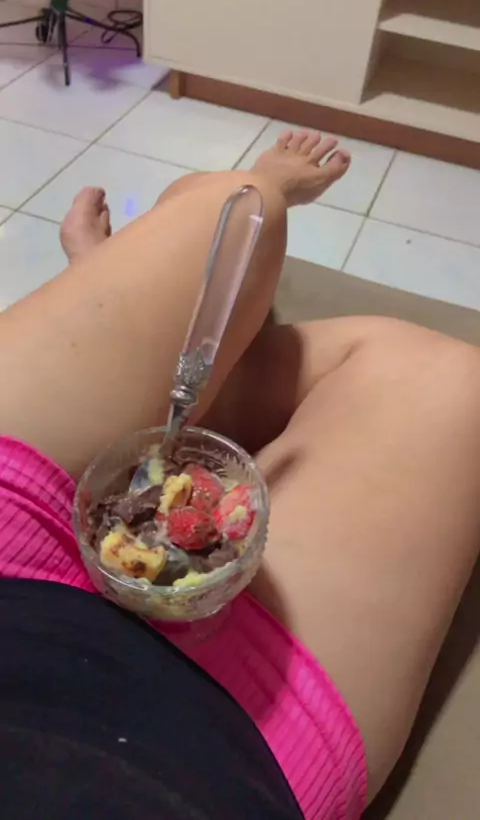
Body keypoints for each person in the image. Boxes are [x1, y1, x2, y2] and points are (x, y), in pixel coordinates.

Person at [1, 129, 479, 820]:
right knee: (448, 382)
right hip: (236, 749)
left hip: (12, 562)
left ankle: (182, 313)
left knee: (242, 203)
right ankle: (170, 370)